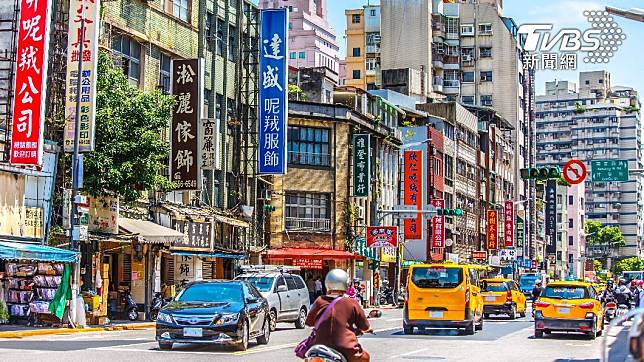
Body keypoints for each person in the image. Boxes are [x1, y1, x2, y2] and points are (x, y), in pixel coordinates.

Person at [305, 269, 371, 362]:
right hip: (346, 348)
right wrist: (368, 329)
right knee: (365, 357)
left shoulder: (319, 301)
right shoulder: (351, 302)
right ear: (346, 284)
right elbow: (364, 326)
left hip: (319, 346)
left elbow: (309, 322)